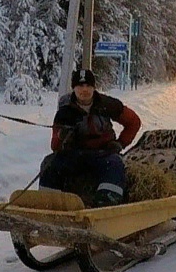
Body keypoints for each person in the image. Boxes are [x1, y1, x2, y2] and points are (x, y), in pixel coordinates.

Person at [41, 68, 142, 207]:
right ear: (73, 88)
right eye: (80, 86)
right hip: (75, 155)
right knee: (49, 163)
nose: (84, 90)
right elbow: (55, 146)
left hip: (103, 154)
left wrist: (120, 143)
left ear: (94, 87)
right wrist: (62, 136)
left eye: (88, 85)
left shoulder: (107, 104)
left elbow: (134, 121)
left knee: (115, 165)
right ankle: (47, 203)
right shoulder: (65, 110)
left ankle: (105, 205)